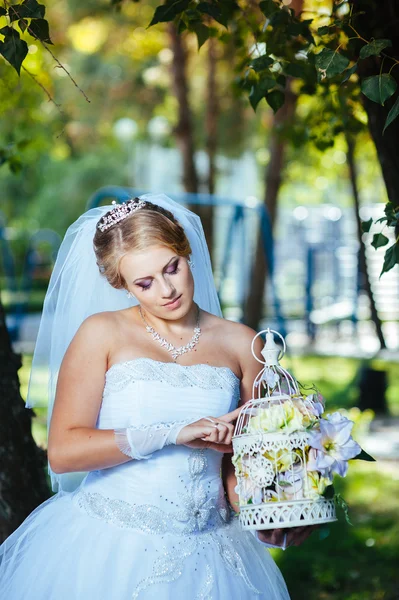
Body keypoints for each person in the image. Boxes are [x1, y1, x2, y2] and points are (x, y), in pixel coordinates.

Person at [0, 193, 314, 599]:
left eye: (172, 268)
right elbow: (63, 452)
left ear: (186, 250)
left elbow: (242, 462)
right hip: (111, 545)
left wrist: (266, 515)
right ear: (122, 285)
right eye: (144, 283)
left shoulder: (242, 343)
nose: (166, 290)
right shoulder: (102, 333)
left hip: (215, 552)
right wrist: (173, 432)